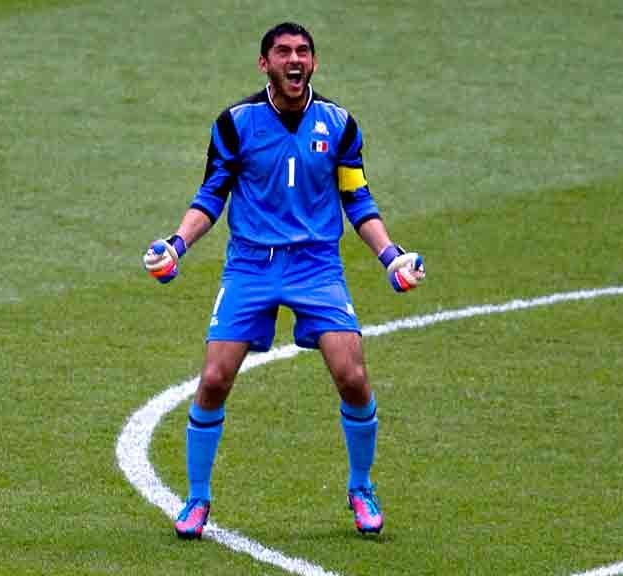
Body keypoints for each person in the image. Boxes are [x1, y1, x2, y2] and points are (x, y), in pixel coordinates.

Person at [143, 21, 425, 540]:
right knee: (213, 380)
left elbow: (356, 199)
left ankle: (361, 488)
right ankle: (197, 499)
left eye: (303, 52)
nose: (294, 60)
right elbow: (212, 195)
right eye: (283, 52)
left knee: (353, 378)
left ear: (313, 63)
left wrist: (391, 256)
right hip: (250, 265)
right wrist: (175, 245)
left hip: (317, 266)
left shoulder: (339, 126)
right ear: (264, 64)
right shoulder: (236, 123)